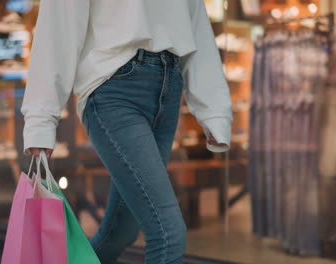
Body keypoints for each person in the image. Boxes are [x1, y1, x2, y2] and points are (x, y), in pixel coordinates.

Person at [21, 0, 233, 263]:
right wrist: (40, 119)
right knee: (168, 233)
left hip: (169, 86)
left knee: (122, 231)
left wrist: (214, 111)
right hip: (113, 87)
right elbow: (58, 23)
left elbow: (196, 23)